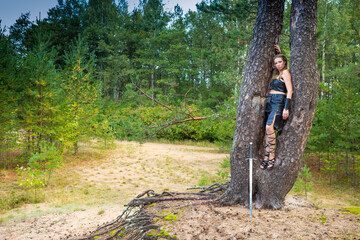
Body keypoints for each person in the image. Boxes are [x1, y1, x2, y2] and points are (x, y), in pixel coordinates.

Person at [260, 45, 293, 170]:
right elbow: (278, 62)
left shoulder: (285, 73)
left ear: (284, 62)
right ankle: (266, 157)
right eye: (276, 63)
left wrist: (286, 108)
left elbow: (290, 91)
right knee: (268, 131)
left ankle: (271, 156)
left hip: (279, 101)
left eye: (280, 62)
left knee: (269, 127)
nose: (278, 64)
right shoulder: (276, 74)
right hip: (270, 102)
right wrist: (278, 53)